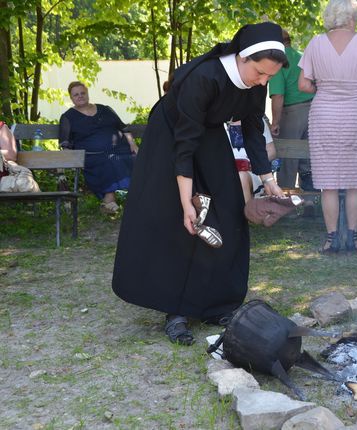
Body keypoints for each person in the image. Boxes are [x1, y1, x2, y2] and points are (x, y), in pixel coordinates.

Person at [112, 22, 287, 346]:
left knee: (229, 210)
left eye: (269, 76)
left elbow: (251, 131)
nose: (263, 81)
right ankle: (175, 310)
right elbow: (184, 147)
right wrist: (184, 202)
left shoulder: (257, 82)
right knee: (182, 222)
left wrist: (268, 181)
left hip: (208, 133)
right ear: (242, 58)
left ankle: (219, 302)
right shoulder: (205, 77)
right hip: (170, 136)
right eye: (260, 73)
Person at [298, 0, 357, 253]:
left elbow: (303, 85)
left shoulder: (315, 42)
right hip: (356, 112)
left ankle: (331, 238)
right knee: (356, 181)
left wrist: (325, 87)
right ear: (350, 18)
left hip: (324, 113)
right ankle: (353, 237)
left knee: (328, 182)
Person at [58, 82, 137, 214]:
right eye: (76, 94)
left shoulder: (105, 109)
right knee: (108, 160)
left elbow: (124, 128)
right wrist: (71, 160)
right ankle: (109, 200)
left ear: (87, 93)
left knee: (136, 158)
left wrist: (132, 144)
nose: (80, 96)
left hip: (120, 149)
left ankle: (119, 201)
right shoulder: (68, 117)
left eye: (83, 93)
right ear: (71, 98)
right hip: (92, 155)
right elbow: (65, 143)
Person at [269, 29, 314, 191]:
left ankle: (285, 202)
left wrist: (275, 122)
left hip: (292, 114)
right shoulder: (303, 57)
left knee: (288, 159)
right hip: (314, 111)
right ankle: (310, 200)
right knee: (308, 160)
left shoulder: (277, 62)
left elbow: (278, 96)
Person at [227, 117, 276, 203]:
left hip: (252, 170)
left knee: (241, 177)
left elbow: (271, 152)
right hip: (226, 171)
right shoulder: (217, 123)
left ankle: (247, 214)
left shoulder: (256, 120)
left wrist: (253, 161)